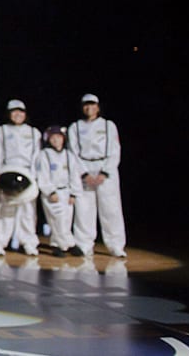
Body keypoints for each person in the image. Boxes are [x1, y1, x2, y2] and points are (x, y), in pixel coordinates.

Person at [67, 93, 126, 257]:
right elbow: (73, 153)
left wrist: (105, 172)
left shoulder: (108, 125)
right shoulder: (75, 127)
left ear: (98, 107)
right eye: (86, 105)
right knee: (84, 209)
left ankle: (116, 245)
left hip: (105, 170)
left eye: (92, 104)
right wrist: (84, 173)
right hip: (84, 169)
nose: (89, 108)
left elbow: (115, 150)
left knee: (111, 209)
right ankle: (84, 244)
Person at [0, 99, 42, 256]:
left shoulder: (34, 132)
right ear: (9, 113)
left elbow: (37, 157)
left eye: (21, 111)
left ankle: (29, 244)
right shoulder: (0, 131)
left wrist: (36, 177)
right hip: (7, 172)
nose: (18, 114)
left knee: (28, 212)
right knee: (4, 209)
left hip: (27, 173)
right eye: (14, 111)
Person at [35, 125, 81, 257]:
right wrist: (50, 191)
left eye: (58, 137)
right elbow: (42, 176)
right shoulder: (44, 155)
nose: (56, 140)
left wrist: (74, 193)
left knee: (67, 220)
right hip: (52, 193)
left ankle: (63, 244)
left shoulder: (69, 155)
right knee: (57, 219)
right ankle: (62, 245)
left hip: (66, 191)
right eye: (53, 138)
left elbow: (74, 175)